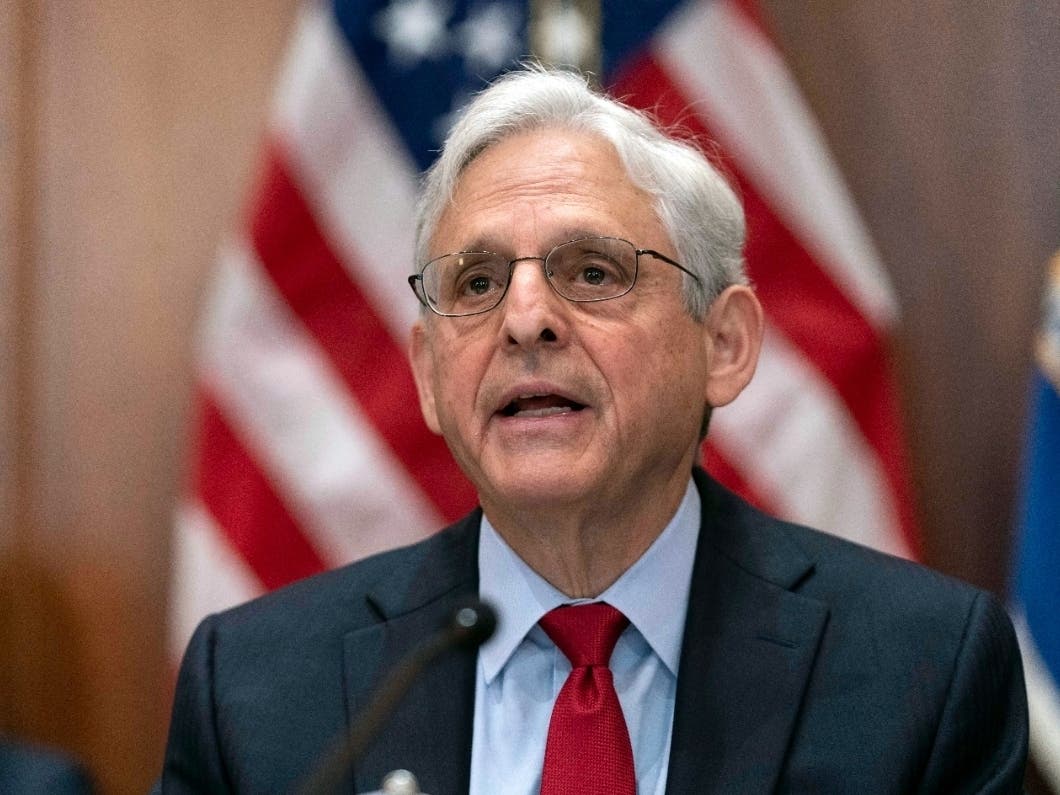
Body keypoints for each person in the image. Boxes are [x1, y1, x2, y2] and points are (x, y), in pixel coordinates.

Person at [157, 68, 1027, 794]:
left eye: (594, 271)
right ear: (428, 374)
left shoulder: (924, 673)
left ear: (724, 345)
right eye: (477, 283)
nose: (525, 318)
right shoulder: (254, 691)